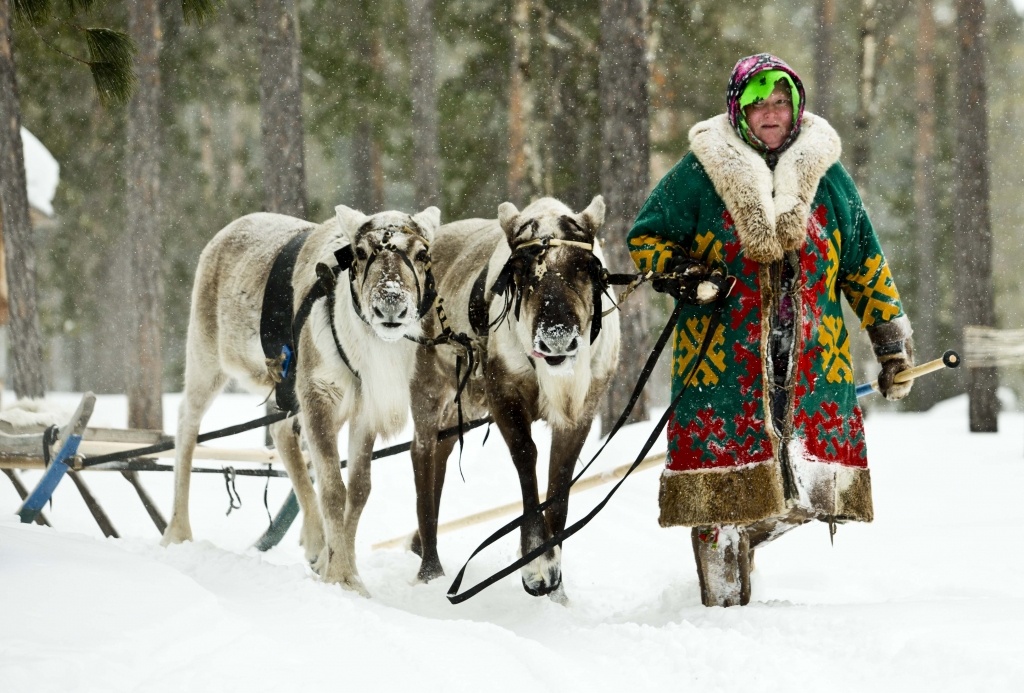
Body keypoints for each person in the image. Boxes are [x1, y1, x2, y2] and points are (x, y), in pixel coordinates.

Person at [627, 53, 914, 607]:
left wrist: (890, 343)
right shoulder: (699, 173)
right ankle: (722, 612)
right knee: (719, 492)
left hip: (811, 361)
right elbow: (647, 237)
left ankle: (747, 536)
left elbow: (864, 264)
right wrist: (686, 275)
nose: (771, 113)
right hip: (723, 361)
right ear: (738, 111)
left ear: (796, 106)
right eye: (758, 104)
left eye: (781, 101)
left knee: (806, 488)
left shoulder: (828, 177)